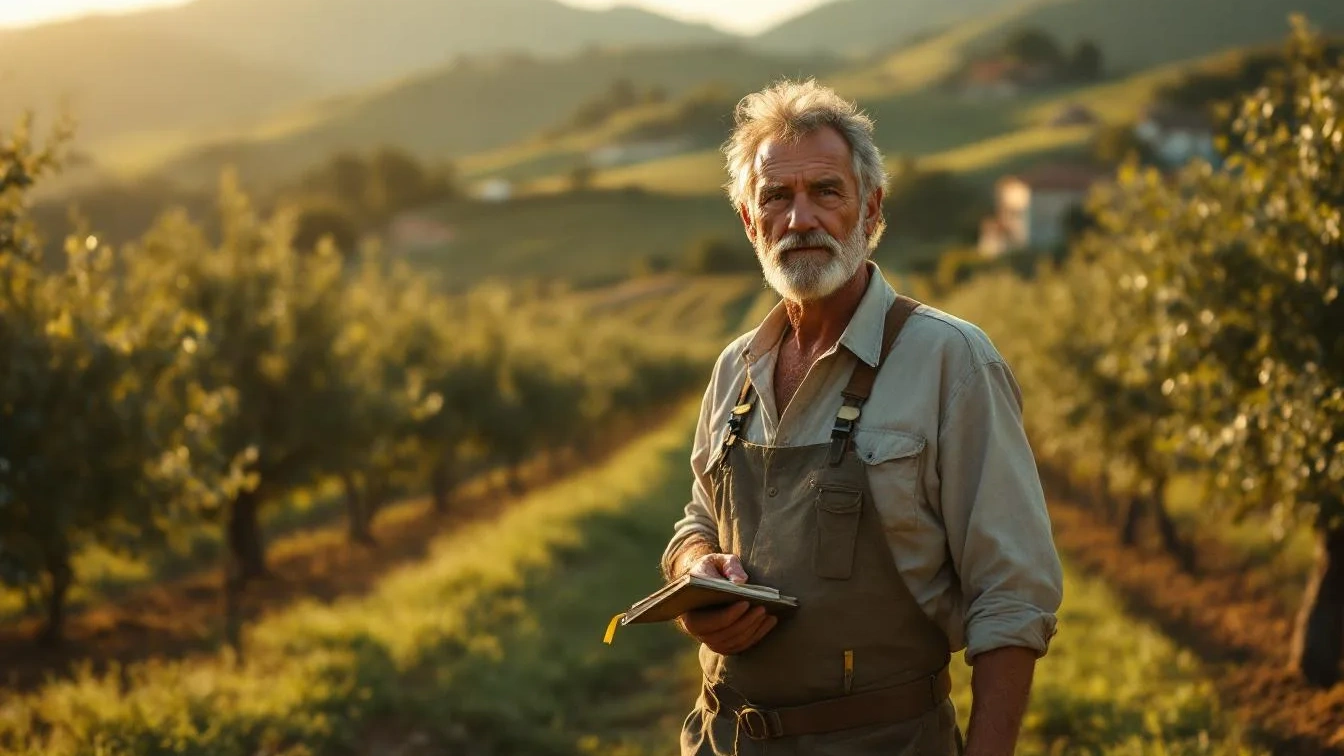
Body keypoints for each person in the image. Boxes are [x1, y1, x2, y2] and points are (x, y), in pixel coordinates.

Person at [661, 79, 1064, 756]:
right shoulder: (737, 367)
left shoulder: (951, 362)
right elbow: (698, 517)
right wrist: (697, 571)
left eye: (826, 191)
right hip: (724, 741)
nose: (800, 220)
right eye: (776, 197)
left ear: (870, 209)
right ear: (748, 220)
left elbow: (1012, 597)